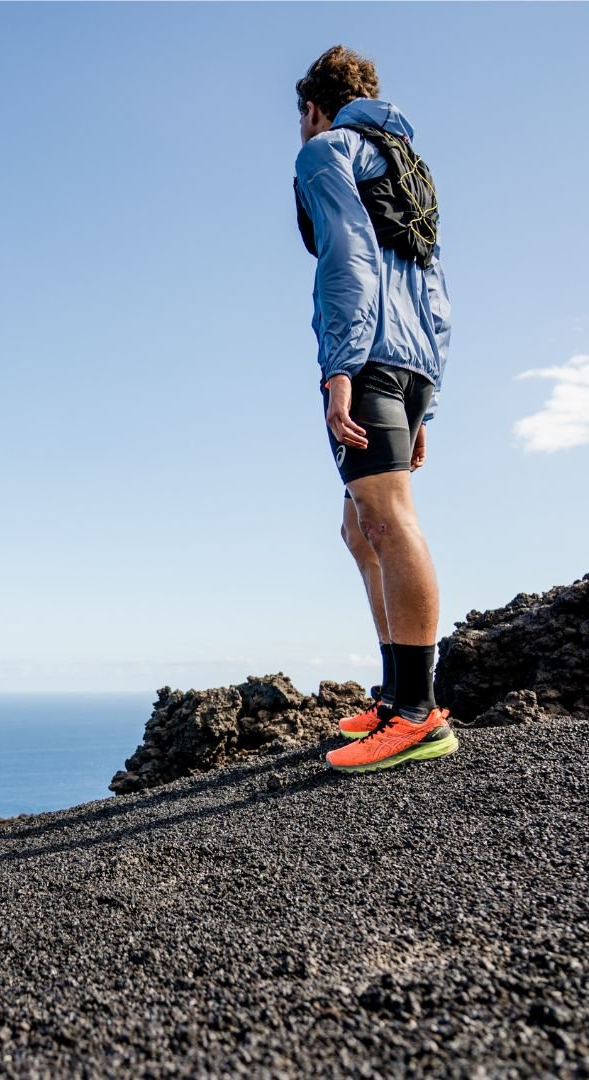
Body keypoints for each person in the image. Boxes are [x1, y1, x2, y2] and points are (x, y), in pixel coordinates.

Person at [292, 45, 458, 773]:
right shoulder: (405, 163)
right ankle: (397, 698)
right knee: (360, 527)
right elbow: (434, 285)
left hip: (371, 360)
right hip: (413, 360)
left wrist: (339, 372)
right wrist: (428, 398)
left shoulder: (327, 151)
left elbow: (346, 260)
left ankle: (419, 716)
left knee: (387, 520)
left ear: (312, 106)